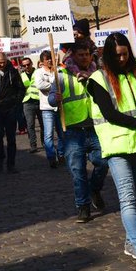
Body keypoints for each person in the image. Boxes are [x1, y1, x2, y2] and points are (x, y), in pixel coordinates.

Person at [88, 33, 136, 269]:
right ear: (108, 55)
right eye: (117, 55)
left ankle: (131, 242)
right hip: (117, 145)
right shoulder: (97, 79)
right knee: (128, 198)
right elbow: (110, 114)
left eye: (125, 54)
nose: (121, 58)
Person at [58, 41, 109, 222]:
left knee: (103, 162)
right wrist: (53, 98)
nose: (84, 58)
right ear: (73, 56)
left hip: (96, 127)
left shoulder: (98, 73)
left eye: (87, 54)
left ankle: (95, 188)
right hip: (73, 130)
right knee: (78, 171)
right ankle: (83, 206)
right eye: (80, 55)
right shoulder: (62, 75)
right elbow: (51, 98)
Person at [34, 50, 65, 168]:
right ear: (42, 62)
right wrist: (54, 85)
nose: (50, 60)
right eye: (47, 59)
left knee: (62, 133)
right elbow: (39, 85)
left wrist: (55, 83)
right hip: (47, 107)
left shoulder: (59, 71)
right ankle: (51, 157)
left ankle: (61, 154)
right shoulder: (39, 72)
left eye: (51, 58)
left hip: (60, 107)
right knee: (48, 135)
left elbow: (63, 84)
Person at [20, 56, 42, 153]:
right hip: (27, 102)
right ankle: (33, 145)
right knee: (30, 125)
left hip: (40, 101)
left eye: (28, 64)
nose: (26, 67)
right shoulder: (21, 75)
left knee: (43, 125)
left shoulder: (38, 72)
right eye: (24, 65)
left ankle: (45, 142)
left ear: (32, 64)